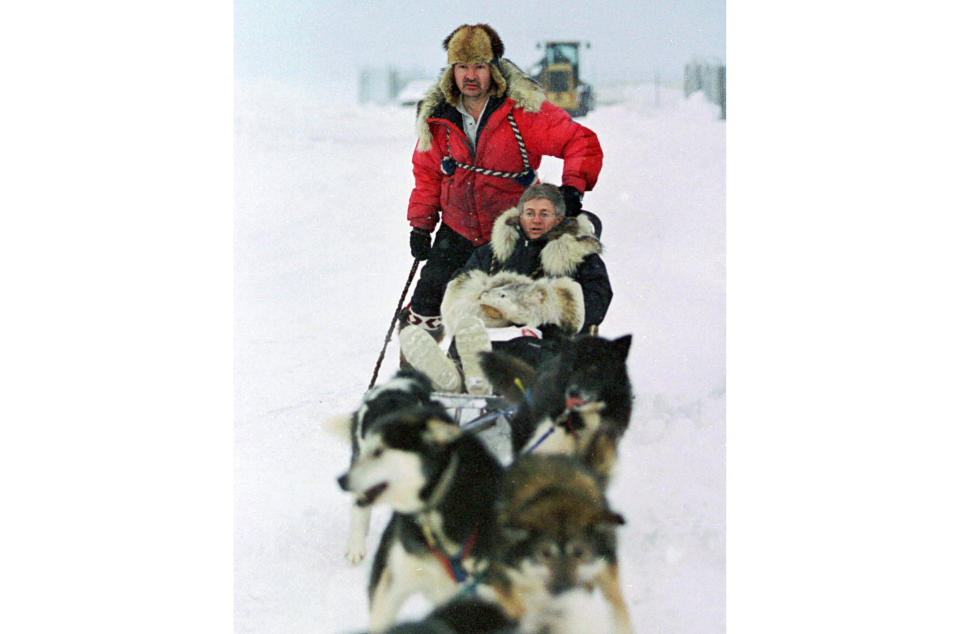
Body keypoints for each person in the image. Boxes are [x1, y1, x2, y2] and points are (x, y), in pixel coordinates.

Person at [403, 23, 604, 343]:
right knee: (425, 307)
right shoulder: (440, 119)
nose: (470, 75)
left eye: (479, 66)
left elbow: (581, 142)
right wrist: (421, 223)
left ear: (492, 69)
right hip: (456, 230)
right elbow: (427, 173)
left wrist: (571, 188)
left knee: (510, 309)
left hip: (513, 232)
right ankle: (416, 378)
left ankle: (519, 367)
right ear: (452, 72)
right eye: (462, 67)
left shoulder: (523, 114)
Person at [399, 183, 612, 394]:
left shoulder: (580, 257)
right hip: (488, 331)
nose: (536, 220)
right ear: (520, 215)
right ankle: (458, 378)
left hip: (546, 341)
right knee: (470, 337)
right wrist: (487, 308)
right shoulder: (492, 252)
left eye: (544, 214)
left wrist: (533, 307)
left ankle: (468, 379)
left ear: (559, 218)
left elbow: (596, 301)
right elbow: (458, 287)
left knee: (524, 350)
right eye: (530, 213)